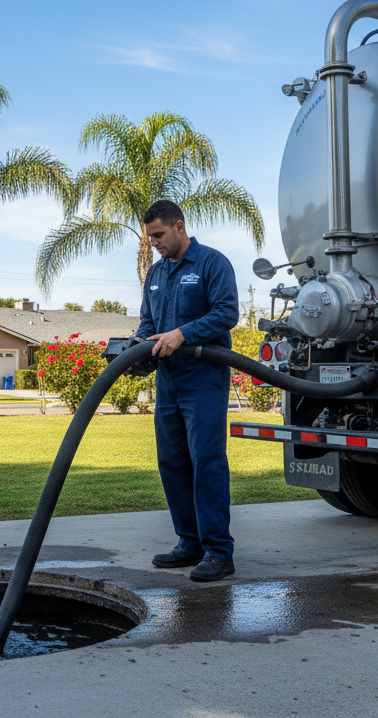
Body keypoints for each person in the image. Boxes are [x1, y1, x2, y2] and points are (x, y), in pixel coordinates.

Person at [134, 199, 239, 582]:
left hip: (204, 377)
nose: (154, 244)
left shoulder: (212, 263)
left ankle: (218, 551)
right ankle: (189, 541)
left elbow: (227, 312)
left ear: (179, 226)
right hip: (169, 380)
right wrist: (137, 345)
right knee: (173, 461)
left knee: (206, 461)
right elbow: (148, 322)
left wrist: (182, 334)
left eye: (159, 235)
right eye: (150, 238)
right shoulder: (156, 273)